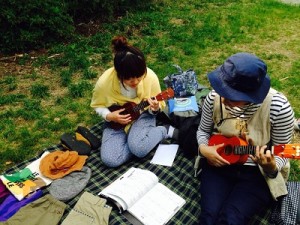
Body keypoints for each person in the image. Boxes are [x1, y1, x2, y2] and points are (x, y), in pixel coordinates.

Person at [196, 52, 295, 225]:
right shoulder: (214, 98)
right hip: (220, 163)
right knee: (208, 217)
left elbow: (283, 151)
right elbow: (203, 132)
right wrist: (204, 150)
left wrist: (270, 165)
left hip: (257, 173)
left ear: (252, 95)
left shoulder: (279, 108)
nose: (223, 98)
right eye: (222, 89)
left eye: (232, 95)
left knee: (230, 218)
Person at [91, 36, 176, 167]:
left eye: (139, 77)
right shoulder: (104, 83)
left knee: (139, 149)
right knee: (110, 160)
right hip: (116, 122)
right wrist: (109, 116)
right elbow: (97, 105)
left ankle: (162, 131)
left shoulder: (150, 77)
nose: (135, 82)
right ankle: (137, 144)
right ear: (119, 75)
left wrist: (154, 108)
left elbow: (158, 107)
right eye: (130, 80)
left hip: (142, 115)